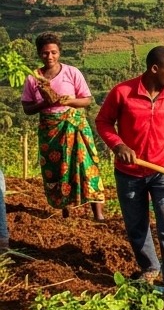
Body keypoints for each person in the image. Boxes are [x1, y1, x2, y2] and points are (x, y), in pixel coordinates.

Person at [95, 46, 164, 289]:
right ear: (155, 69)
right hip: (129, 172)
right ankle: (150, 268)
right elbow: (103, 122)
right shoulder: (123, 92)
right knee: (136, 225)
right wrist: (118, 145)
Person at [21, 33, 105, 220]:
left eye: (53, 52)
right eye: (44, 53)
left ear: (59, 52)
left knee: (87, 165)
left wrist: (71, 101)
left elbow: (87, 100)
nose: (49, 57)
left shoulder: (72, 72)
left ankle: (98, 214)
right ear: (38, 54)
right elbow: (27, 108)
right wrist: (45, 103)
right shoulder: (33, 78)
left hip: (74, 125)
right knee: (57, 168)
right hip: (49, 129)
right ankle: (65, 211)